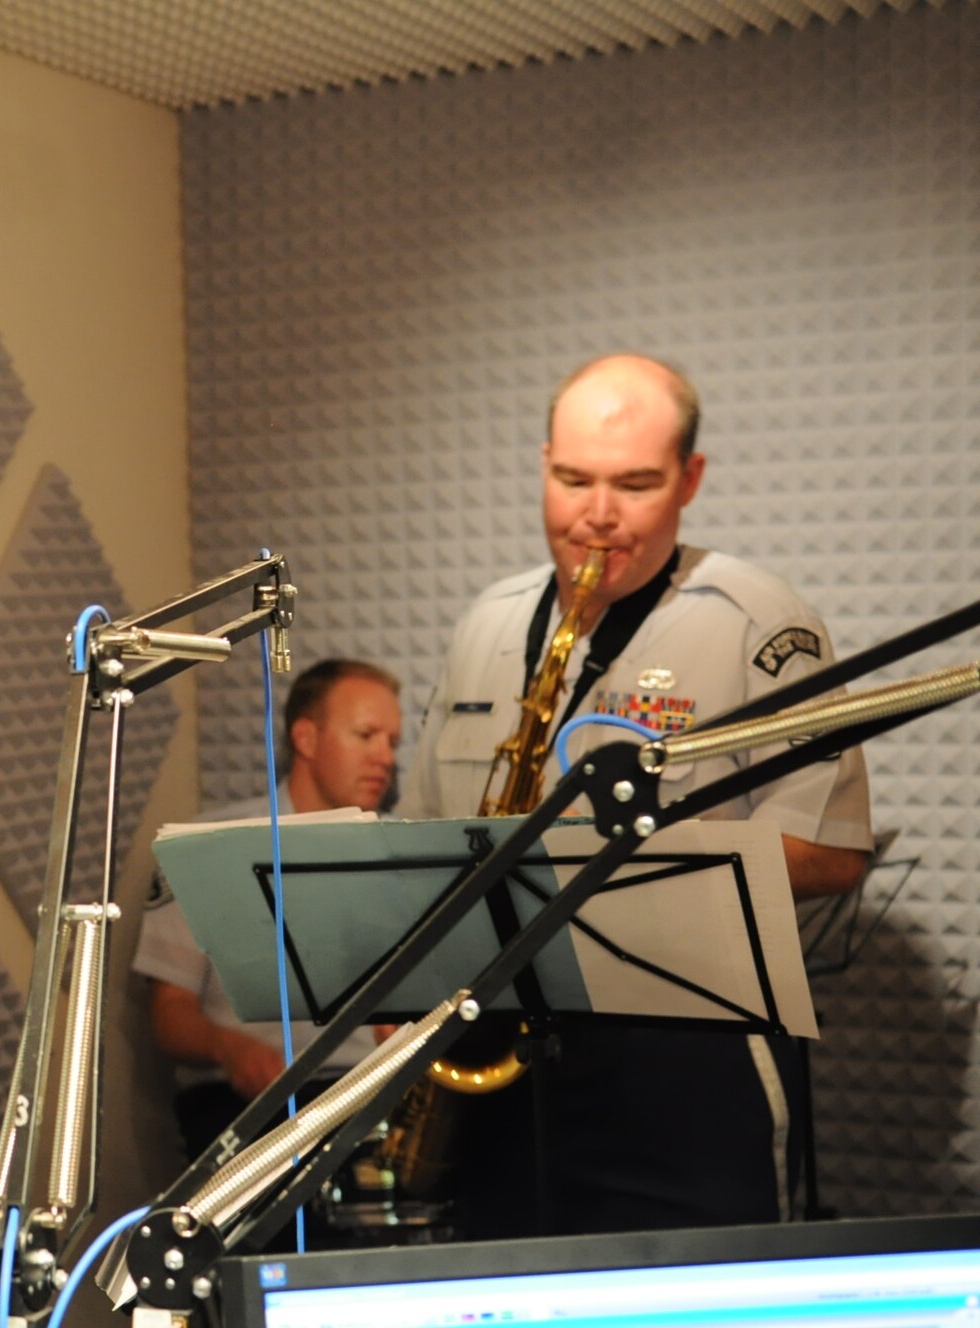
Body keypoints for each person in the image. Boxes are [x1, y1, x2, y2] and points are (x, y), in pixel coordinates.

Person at [403, 352, 873, 1237]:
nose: (598, 518)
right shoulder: (488, 623)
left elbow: (834, 850)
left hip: (685, 1065)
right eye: (573, 480)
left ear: (690, 479)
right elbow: (422, 843)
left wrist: (615, 857)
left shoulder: (760, 623)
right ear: (543, 463)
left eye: (636, 484)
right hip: (499, 1070)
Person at [134, 658, 402, 1161]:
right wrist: (230, 1049)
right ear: (306, 738)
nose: (384, 757)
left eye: (393, 742)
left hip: (374, 1098)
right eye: (366, 735)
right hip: (247, 1108)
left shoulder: (410, 849)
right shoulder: (209, 846)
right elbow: (169, 1012)